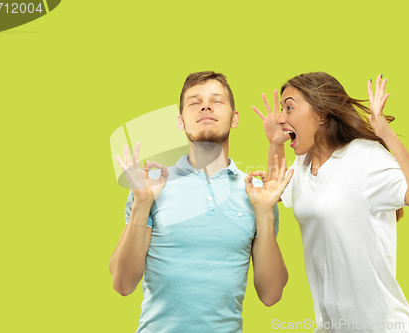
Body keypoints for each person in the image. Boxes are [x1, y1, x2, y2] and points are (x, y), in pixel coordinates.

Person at [253, 72, 409, 332]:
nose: (281, 117)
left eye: (289, 107)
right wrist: (276, 143)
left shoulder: (364, 157)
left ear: (321, 114)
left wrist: (387, 135)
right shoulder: (302, 166)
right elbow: (277, 192)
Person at [109, 71, 293, 333]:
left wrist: (265, 213)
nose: (205, 106)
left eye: (217, 101)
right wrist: (141, 203)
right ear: (181, 122)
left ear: (235, 118)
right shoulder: (150, 186)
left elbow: (271, 294)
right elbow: (123, 284)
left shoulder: (257, 193)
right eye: (194, 102)